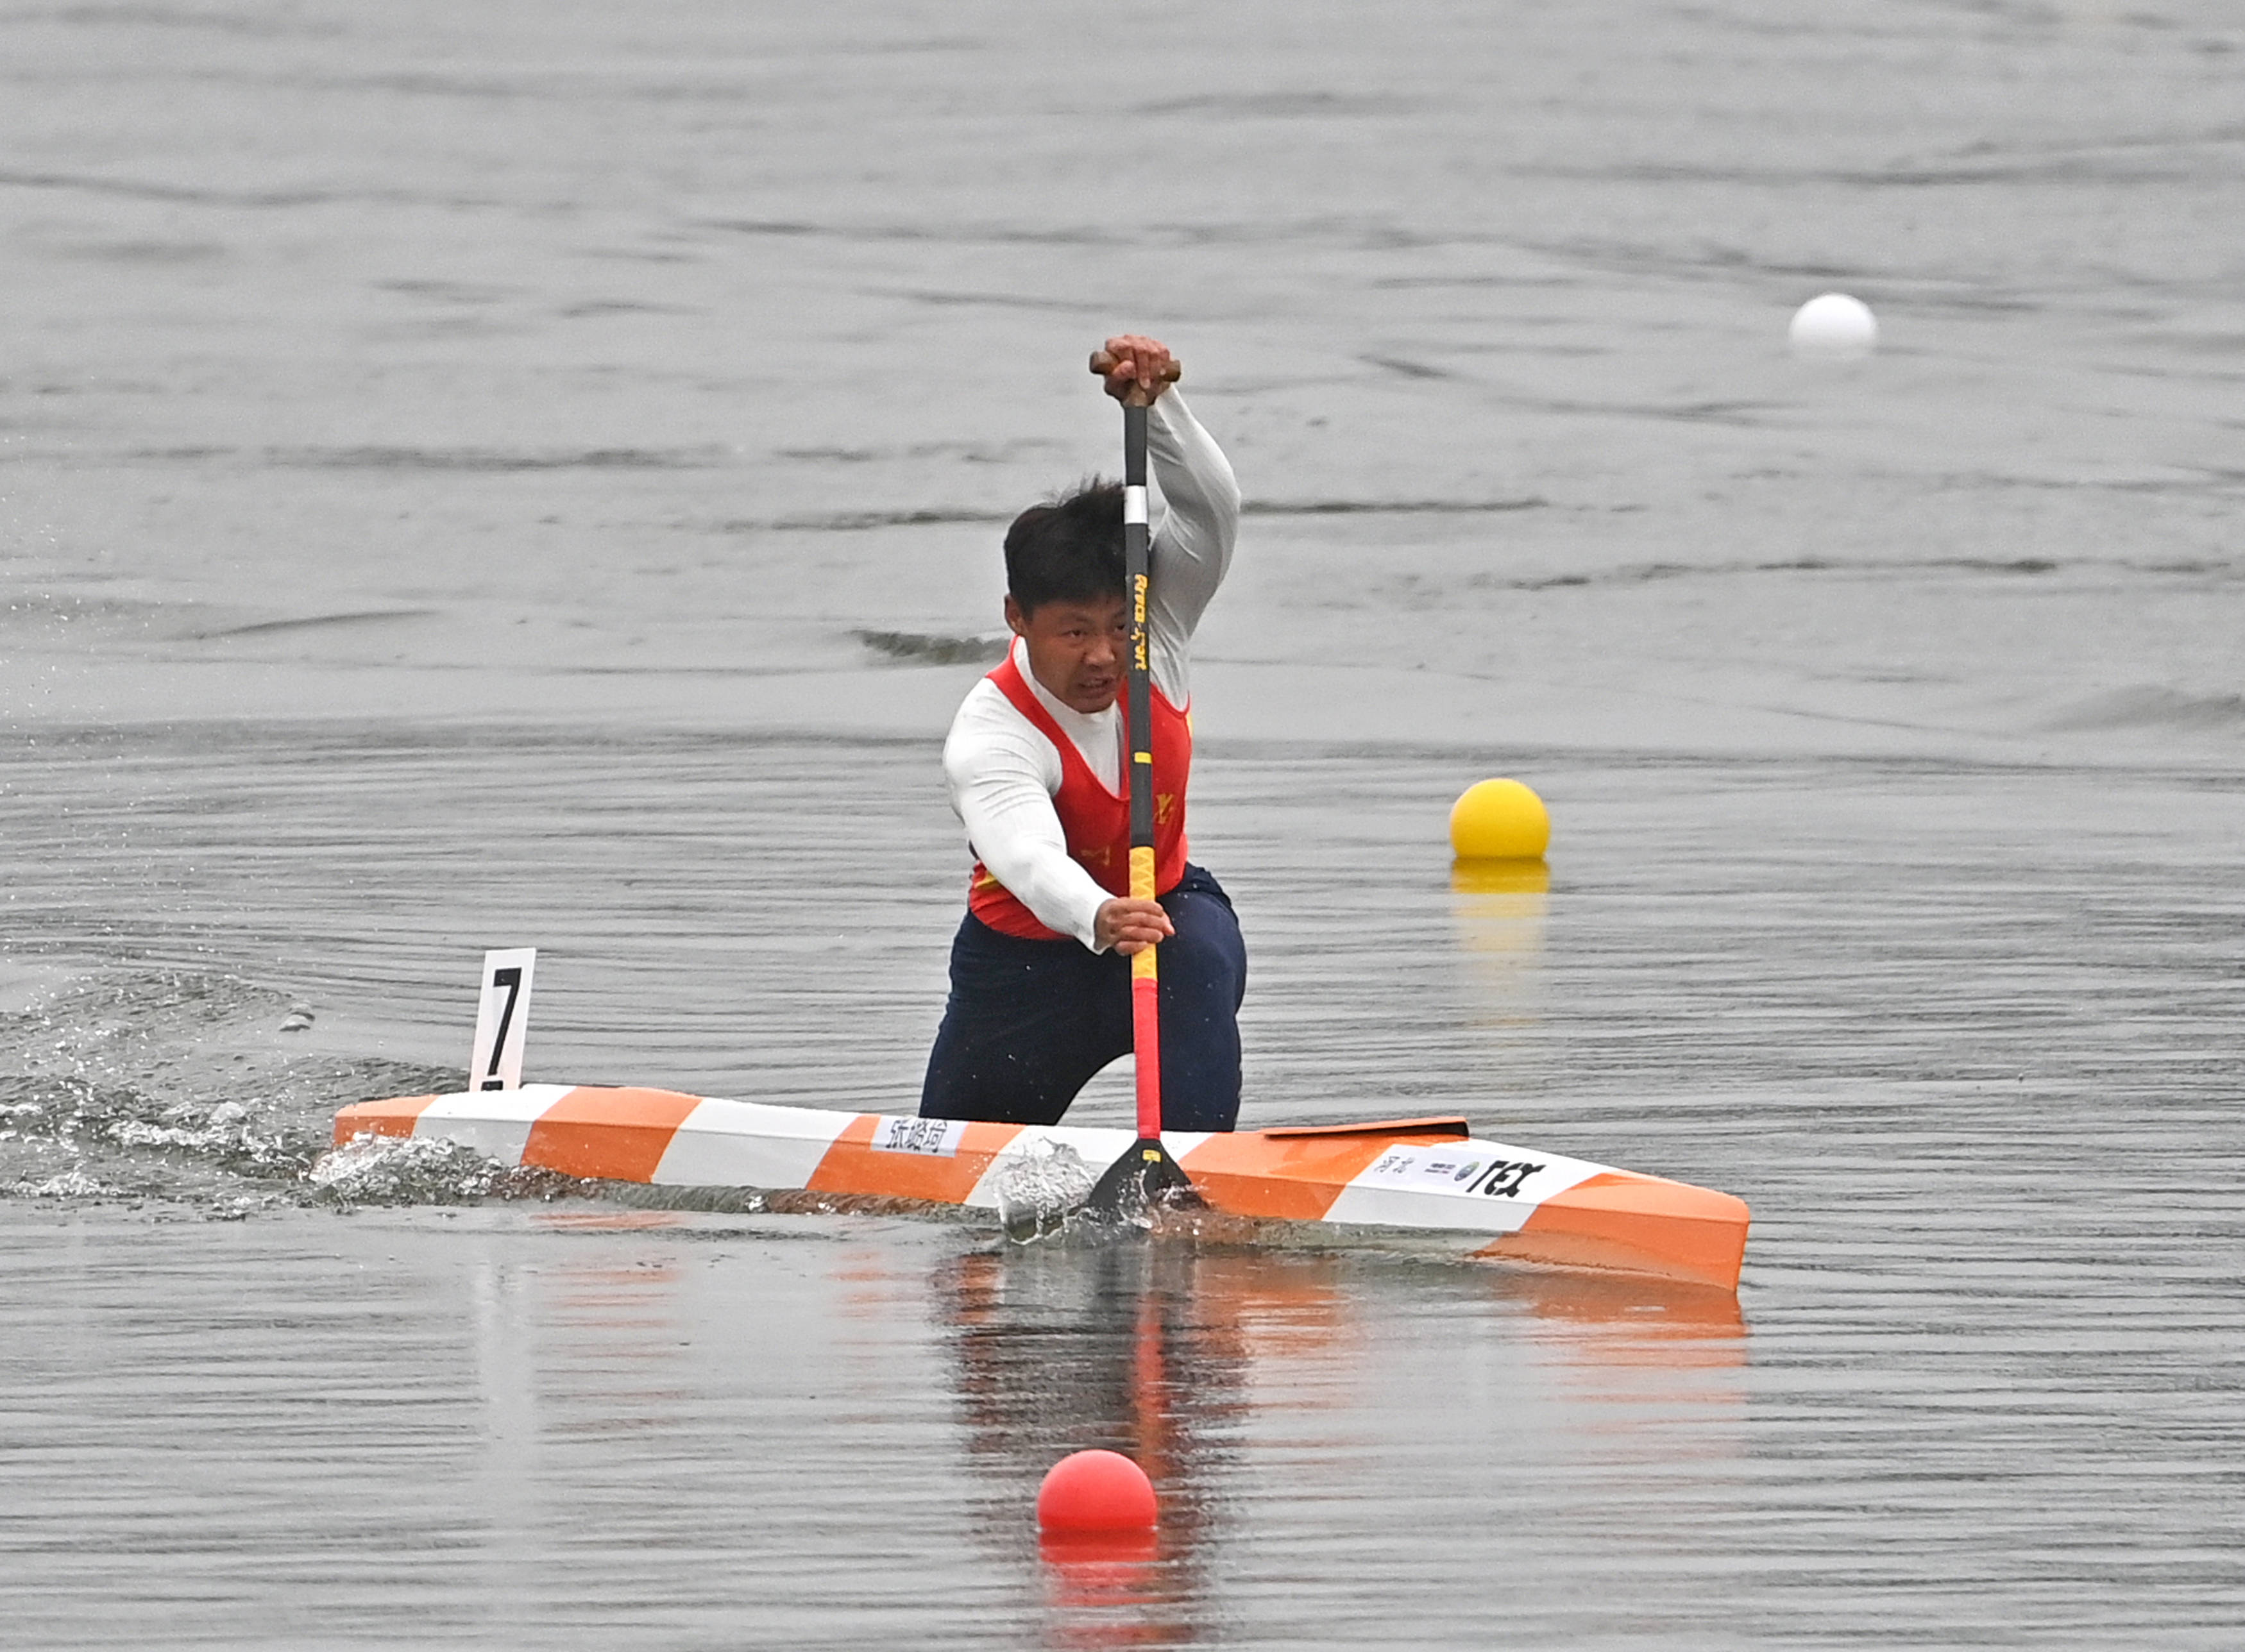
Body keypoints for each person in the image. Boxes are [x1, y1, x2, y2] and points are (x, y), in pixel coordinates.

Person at [919, 335, 1245, 1132]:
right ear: (1016, 619)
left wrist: (1159, 403)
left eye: (1113, 626)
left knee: (1195, 951)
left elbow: (1210, 512)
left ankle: (1188, 1183)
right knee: (951, 1183)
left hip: (1162, 911)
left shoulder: (1154, 631)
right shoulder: (989, 733)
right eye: (1072, 633)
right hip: (1024, 967)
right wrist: (1095, 912)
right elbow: (1028, 855)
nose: (1104, 656)